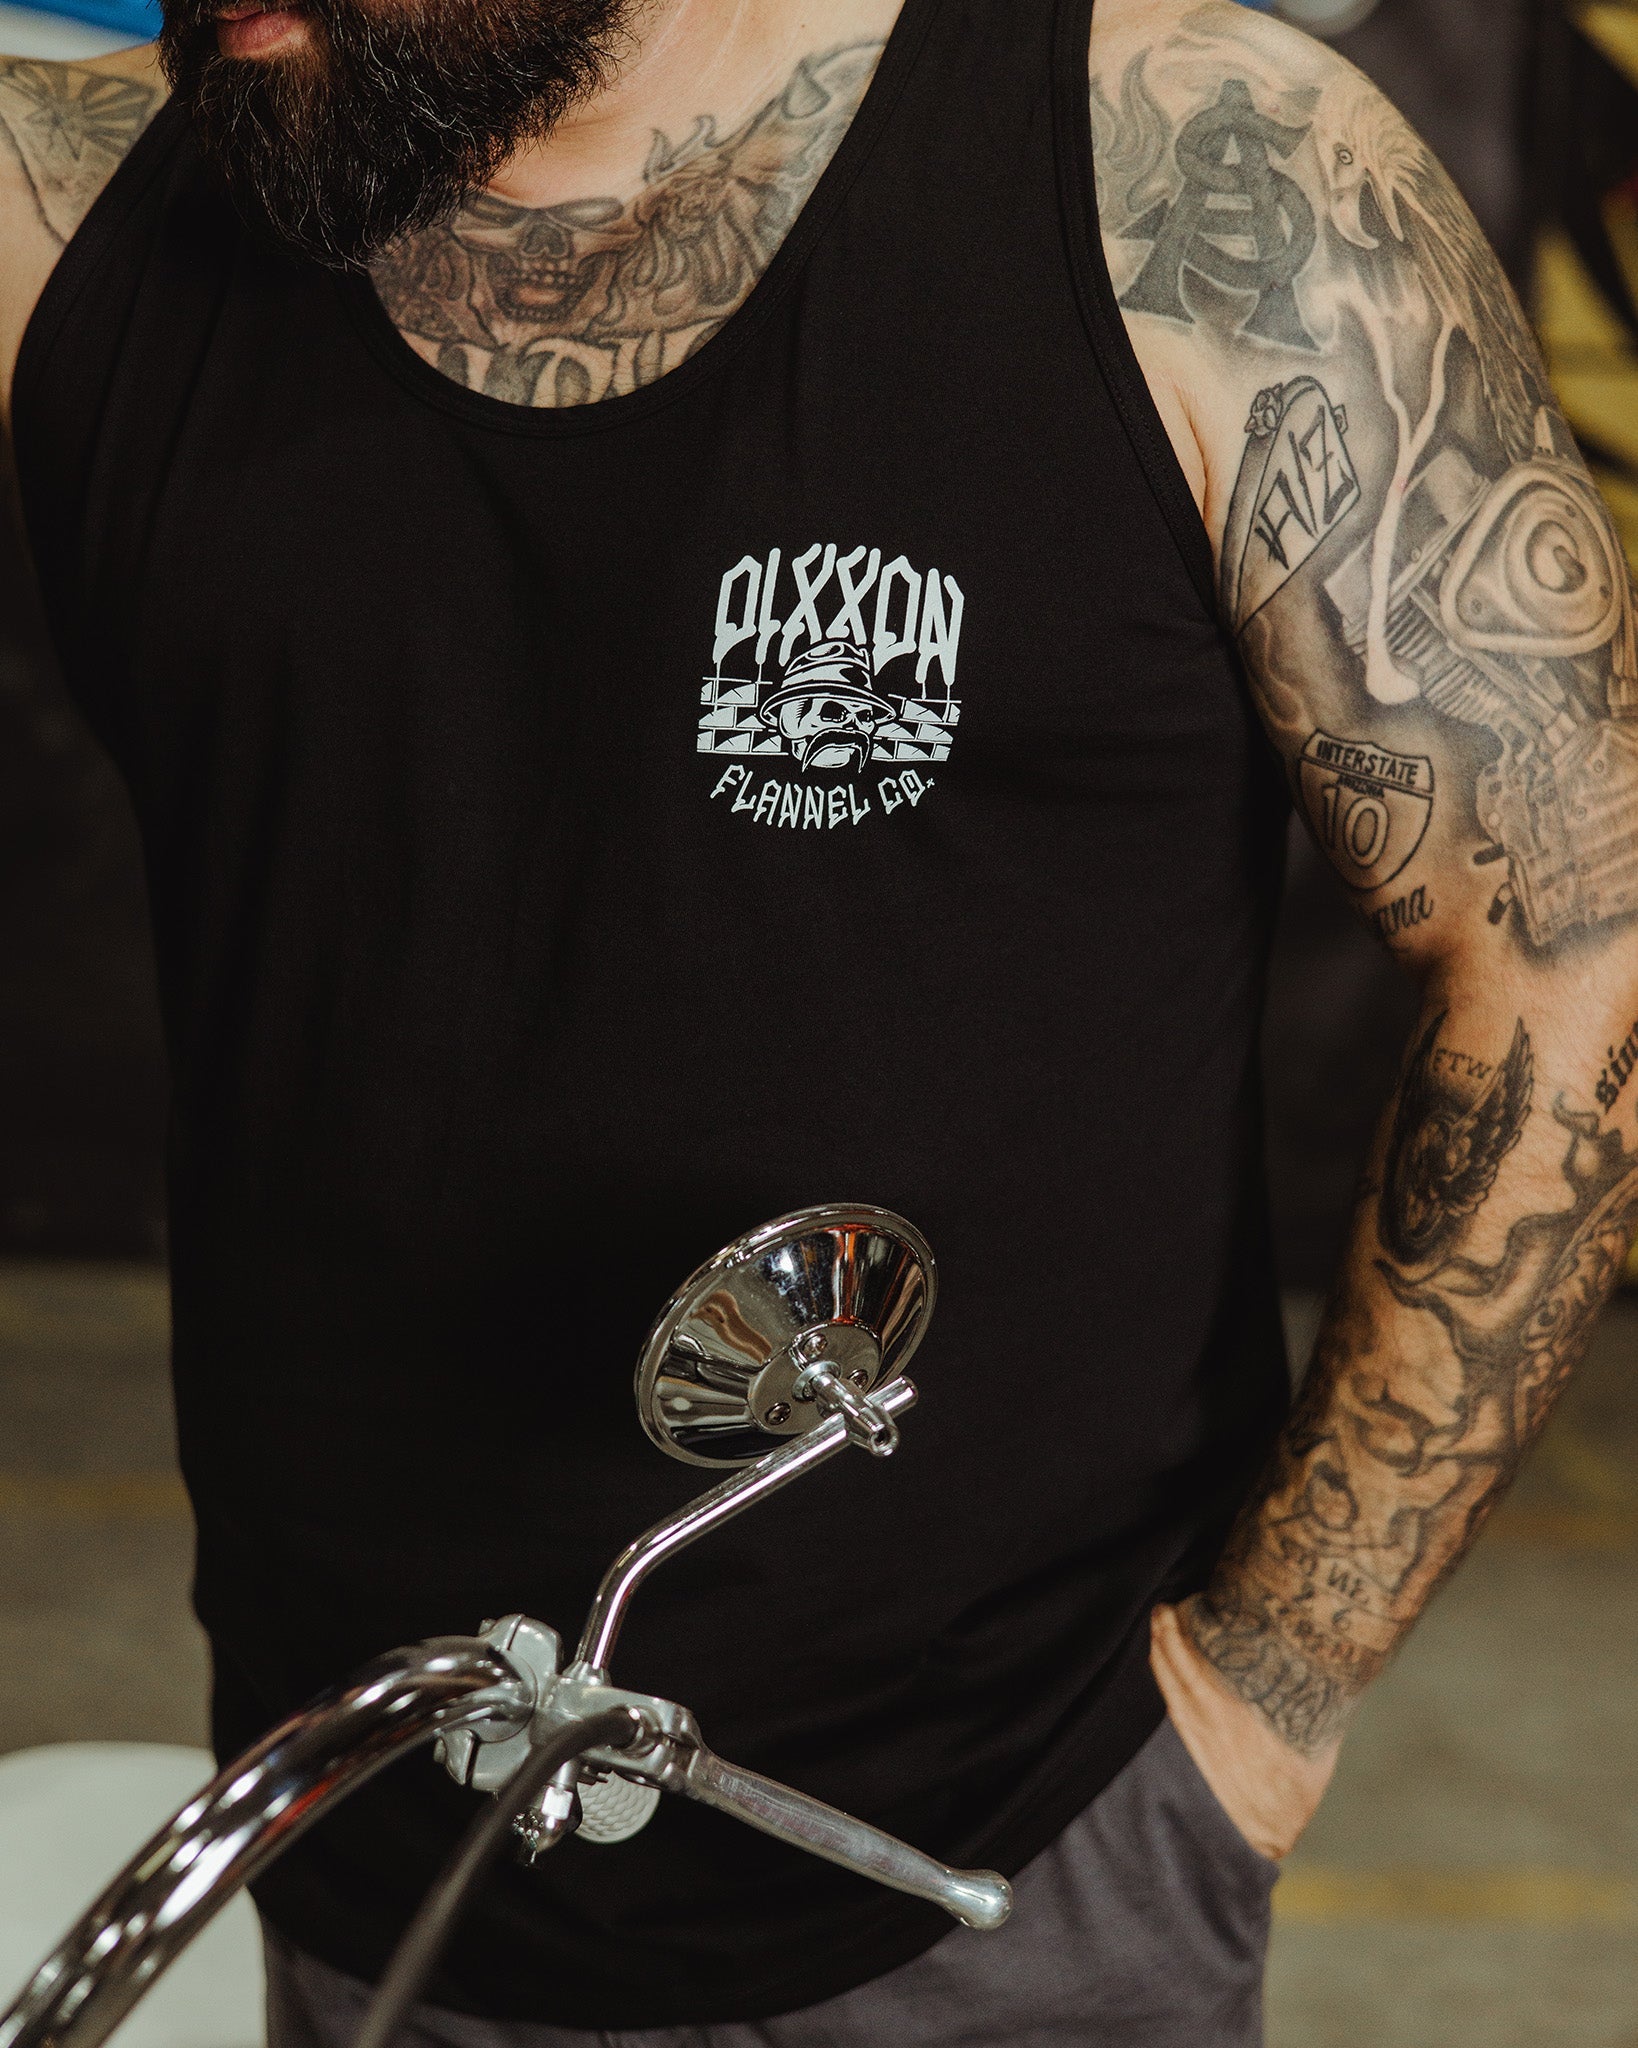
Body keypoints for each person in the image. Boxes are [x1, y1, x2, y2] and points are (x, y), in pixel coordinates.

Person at [2, 0, 1634, 2040]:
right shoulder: (86, 201)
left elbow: (1572, 939)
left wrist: (1260, 1702)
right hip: (365, 1824)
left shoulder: (1188, 184)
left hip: (1010, 1862)